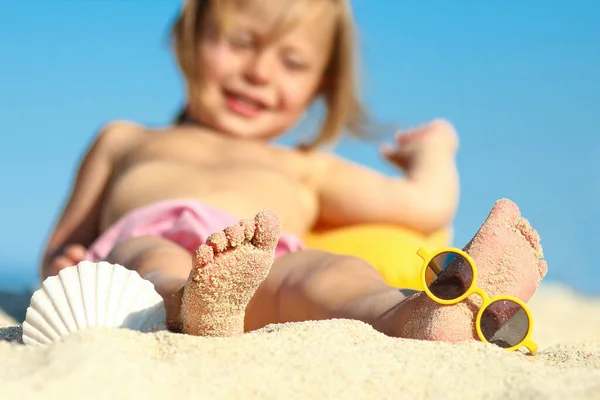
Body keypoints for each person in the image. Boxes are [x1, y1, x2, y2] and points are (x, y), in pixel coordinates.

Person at [40, 0, 546, 342]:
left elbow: (424, 205)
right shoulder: (126, 139)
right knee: (149, 254)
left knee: (332, 271)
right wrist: (67, 262)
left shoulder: (305, 168)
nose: (260, 73)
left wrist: (435, 149)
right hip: (152, 253)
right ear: (189, 38)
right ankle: (189, 302)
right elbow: (62, 244)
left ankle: (416, 315)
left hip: (267, 268)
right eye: (240, 42)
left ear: (320, 87)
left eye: (293, 62)